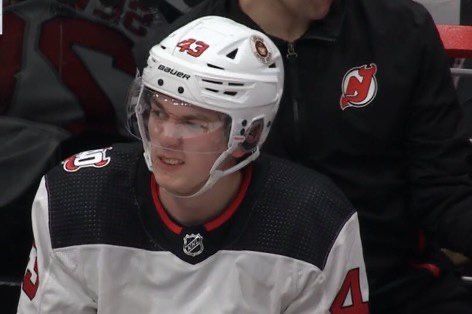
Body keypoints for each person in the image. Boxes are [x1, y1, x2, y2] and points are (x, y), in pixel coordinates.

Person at [17, 16, 369, 313]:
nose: (166, 136)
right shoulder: (75, 198)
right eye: (158, 112)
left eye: (193, 122)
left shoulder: (313, 220)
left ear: (249, 133)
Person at [159, 0, 472, 313]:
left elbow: (444, 189)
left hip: (394, 285)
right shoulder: (182, 52)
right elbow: (175, 210)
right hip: (247, 292)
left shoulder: (401, 28)